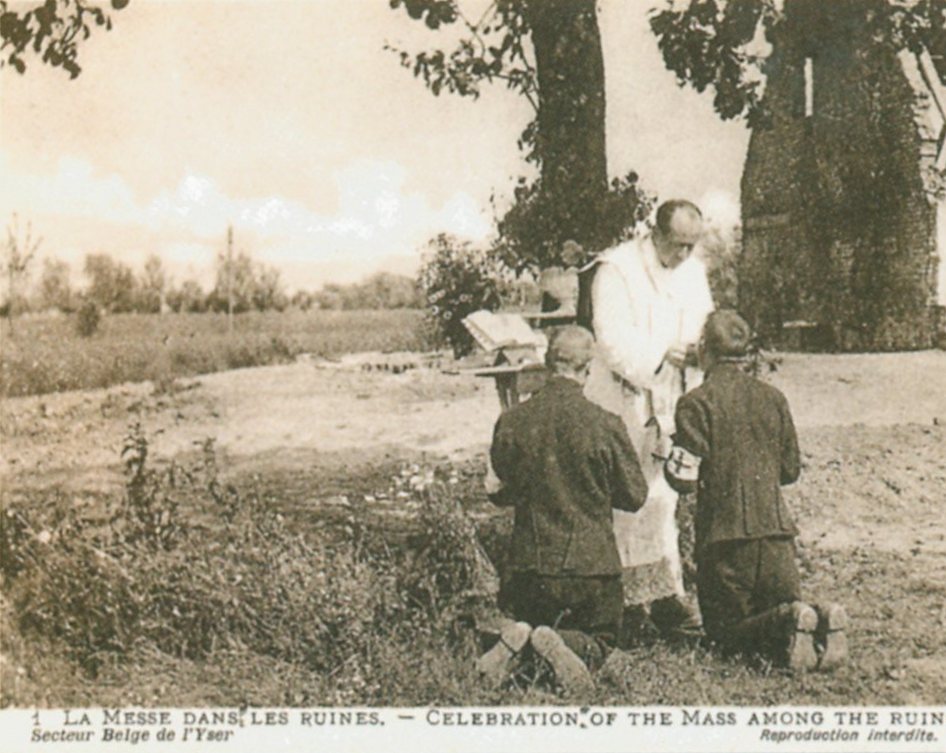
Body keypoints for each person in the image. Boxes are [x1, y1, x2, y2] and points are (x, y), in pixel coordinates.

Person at [664, 310, 848, 671]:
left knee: (723, 635)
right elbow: (790, 471)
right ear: (746, 352)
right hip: (778, 540)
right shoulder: (773, 398)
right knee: (776, 614)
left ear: (703, 350)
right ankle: (820, 617)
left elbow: (684, 480)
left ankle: (790, 619)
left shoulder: (696, 403)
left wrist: (665, 456)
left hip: (726, 544)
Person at [477, 326, 649, 692]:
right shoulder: (606, 423)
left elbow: (496, 491)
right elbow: (634, 496)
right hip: (591, 571)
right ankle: (564, 643)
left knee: (531, 620)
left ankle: (521, 636)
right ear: (588, 369)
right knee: (602, 640)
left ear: (546, 364)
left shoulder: (512, 420)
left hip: (529, 572)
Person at [583, 199, 714, 624]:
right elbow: (610, 337)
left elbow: (704, 323)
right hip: (625, 396)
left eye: (692, 245)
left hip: (672, 395)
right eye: (678, 244)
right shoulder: (617, 268)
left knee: (663, 496)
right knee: (624, 495)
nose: (685, 255)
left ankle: (664, 594)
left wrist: (698, 351)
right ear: (655, 233)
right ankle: (623, 600)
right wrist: (661, 353)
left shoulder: (692, 271)